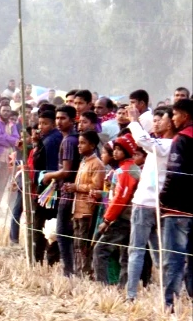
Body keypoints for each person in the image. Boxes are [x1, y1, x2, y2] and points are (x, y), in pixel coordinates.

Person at [124, 106, 175, 302]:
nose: (155, 123)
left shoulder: (167, 144)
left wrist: (134, 122)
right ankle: (164, 293)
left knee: (137, 250)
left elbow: (142, 140)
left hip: (147, 204)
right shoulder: (165, 143)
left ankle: (131, 295)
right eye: (153, 120)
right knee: (157, 252)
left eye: (159, 119)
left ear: (170, 122)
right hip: (157, 204)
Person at [159, 99, 193, 311]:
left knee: (175, 258)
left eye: (175, 114)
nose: (172, 118)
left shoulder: (181, 140)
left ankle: (170, 304)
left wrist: (163, 199)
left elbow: (174, 173)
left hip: (178, 207)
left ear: (186, 116)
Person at [93, 133, 140, 287]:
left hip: (122, 216)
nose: (115, 152)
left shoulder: (126, 170)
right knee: (125, 255)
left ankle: (103, 286)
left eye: (120, 149)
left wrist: (107, 219)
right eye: (115, 149)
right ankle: (123, 286)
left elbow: (121, 197)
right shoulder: (129, 168)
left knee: (101, 250)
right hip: (130, 216)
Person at [42, 106, 81, 276]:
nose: (59, 121)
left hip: (68, 191)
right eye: (57, 118)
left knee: (63, 233)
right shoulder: (69, 139)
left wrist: (48, 175)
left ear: (73, 120)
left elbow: (66, 171)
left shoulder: (69, 141)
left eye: (63, 118)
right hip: (67, 190)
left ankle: (68, 271)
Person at [62, 130, 105, 277]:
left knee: (84, 243)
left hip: (88, 209)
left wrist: (76, 187)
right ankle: (79, 271)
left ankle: (85, 272)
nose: (79, 146)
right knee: (77, 243)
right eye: (79, 142)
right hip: (77, 207)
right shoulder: (83, 162)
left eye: (83, 143)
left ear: (92, 145)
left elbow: (97, 188)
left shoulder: (97, 164)